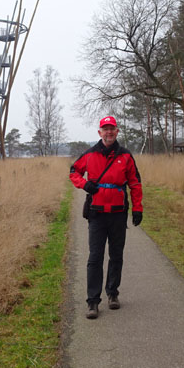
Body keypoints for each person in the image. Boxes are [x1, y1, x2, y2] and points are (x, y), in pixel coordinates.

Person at [69, 116, 143, 319]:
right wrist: (84, 185)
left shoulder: (126, 156)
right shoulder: (90, 154)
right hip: (97, 214)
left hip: (118, 214)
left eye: (112, 129)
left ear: (117, 131)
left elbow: (135, 183)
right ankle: (92, 302)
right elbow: (73, 172)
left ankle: (112, 294)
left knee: (116, 256)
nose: (109, 133)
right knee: (95, 258)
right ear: (99, 132)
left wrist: (137, 209)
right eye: (105, 129)